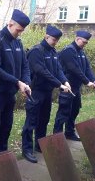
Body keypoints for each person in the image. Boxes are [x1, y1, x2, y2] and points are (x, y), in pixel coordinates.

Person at [0, 9, 32, 157]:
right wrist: (17, 82)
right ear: (10, 24)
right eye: (18, 30)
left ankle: (2, 164)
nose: (19, 33)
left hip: (10, 96)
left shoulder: (18, 43)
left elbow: (25, 66)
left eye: (22, 31)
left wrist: (26, 82)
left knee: (5, 131)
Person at [21, 25, 71, 163]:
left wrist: (65, 81)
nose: (55, 42)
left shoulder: (53, 52)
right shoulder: (37, 51)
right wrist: (58, 84)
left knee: (43, 120)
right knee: (31, 121)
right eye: (53, 39)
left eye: (57, 40)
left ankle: (39, 145)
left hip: (47, 92)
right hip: (35, 92)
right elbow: (41, 71)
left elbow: (58, 69)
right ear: (46, 36)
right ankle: (27, 149)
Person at [53, 30, 95, 141]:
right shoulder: (68, 51)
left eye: (86, 43)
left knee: (75, 110)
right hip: (67, 87)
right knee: (63, 112)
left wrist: (93, 79)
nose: (85, 44)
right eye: (84, 42)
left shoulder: (81, 52)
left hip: (76, 88)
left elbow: (87, 68)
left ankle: (69, 132)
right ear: (77, 39)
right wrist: (87, 82)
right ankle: (57, 136)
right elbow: (74, 69)